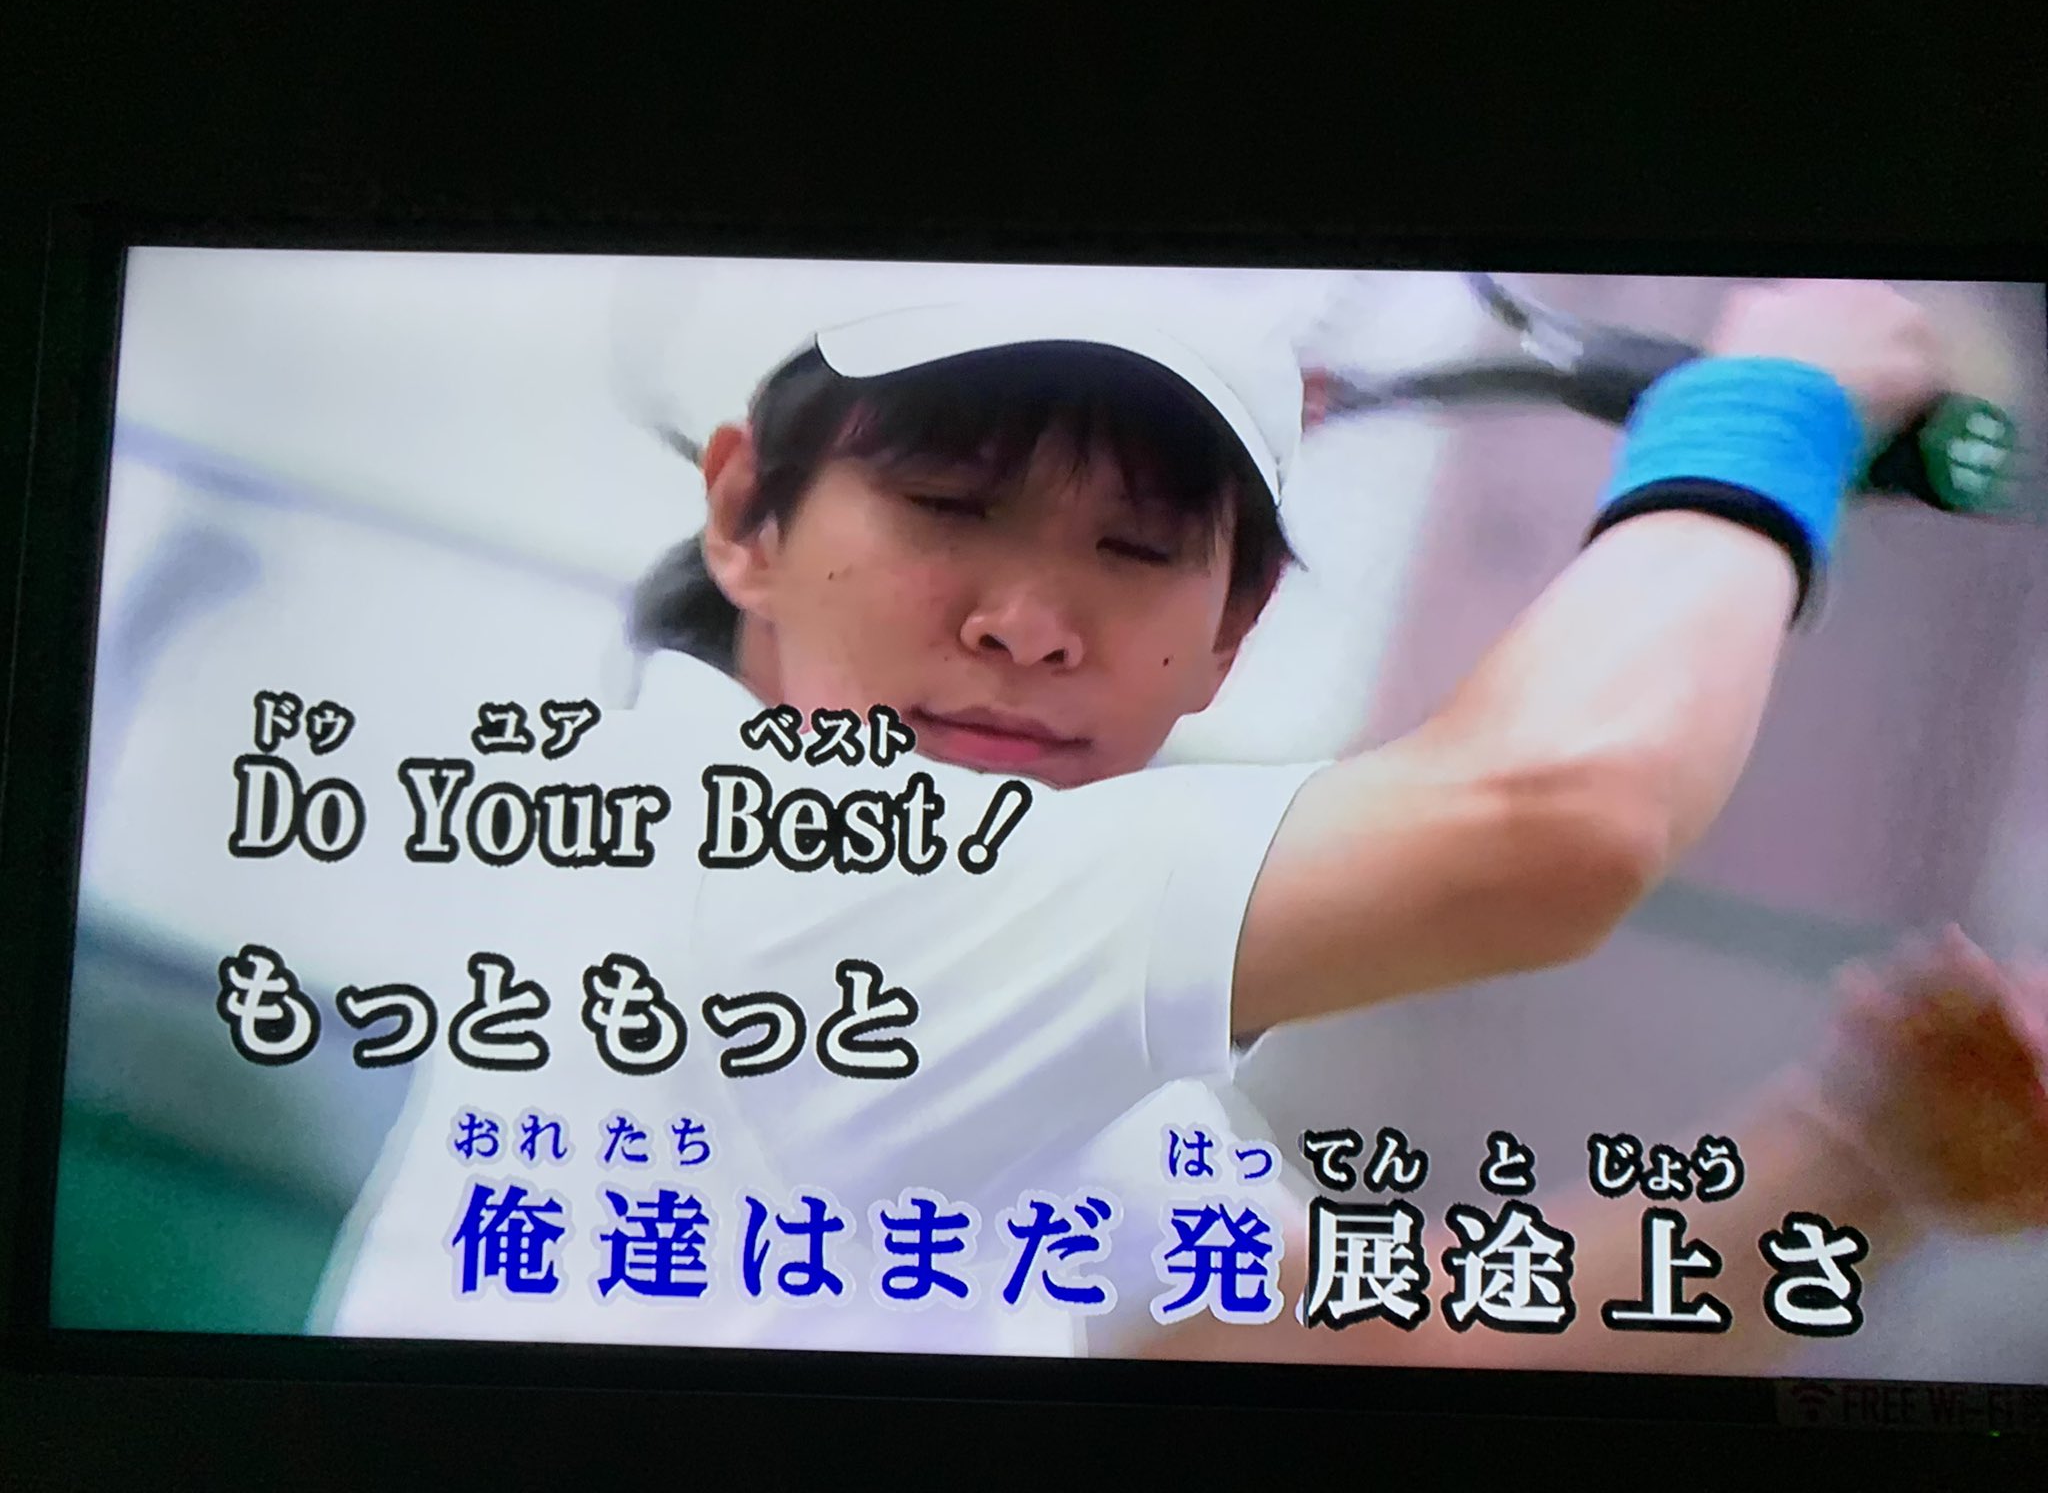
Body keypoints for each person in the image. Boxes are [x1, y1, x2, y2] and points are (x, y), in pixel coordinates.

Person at [324, 269, 2048, 1371]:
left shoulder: (1030, 1001)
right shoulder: (777, 873)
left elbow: (1376, 1359)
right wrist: (1769, 405)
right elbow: (1558, 813)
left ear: (1232, 631)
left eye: (1137, 548)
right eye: (947, 507)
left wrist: (1858, 1162)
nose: (1030, 622)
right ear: (745, 520)